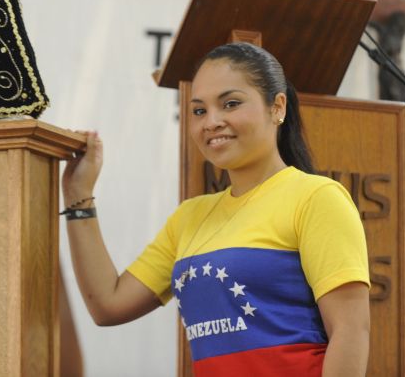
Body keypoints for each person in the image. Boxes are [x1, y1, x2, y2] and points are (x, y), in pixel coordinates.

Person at [62, 42, 370, 376]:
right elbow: (108, 304)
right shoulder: (189, 216)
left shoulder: (316, 198)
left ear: (277, 107)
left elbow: (350, 331)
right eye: (199, 111)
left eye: (231, 104)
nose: (211, 122)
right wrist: (79, 194)